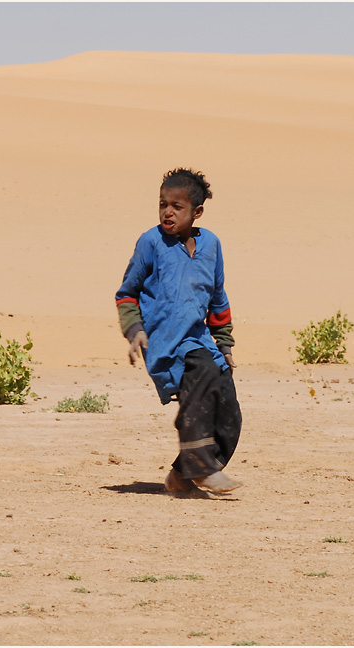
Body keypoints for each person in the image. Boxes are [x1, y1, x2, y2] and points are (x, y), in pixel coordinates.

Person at [115, 168, 242, 495]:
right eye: (162, 204)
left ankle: (183, 476)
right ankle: (202, 470)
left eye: (176, 206)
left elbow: (218, 297)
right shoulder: (151, 242)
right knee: (200, 373)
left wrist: (224, 343)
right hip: (167, 342)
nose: (167, 212)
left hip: (201, 341)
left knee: (228, 410)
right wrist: (134, 329)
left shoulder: (211, 245)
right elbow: (126, 293)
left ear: (196, 212)